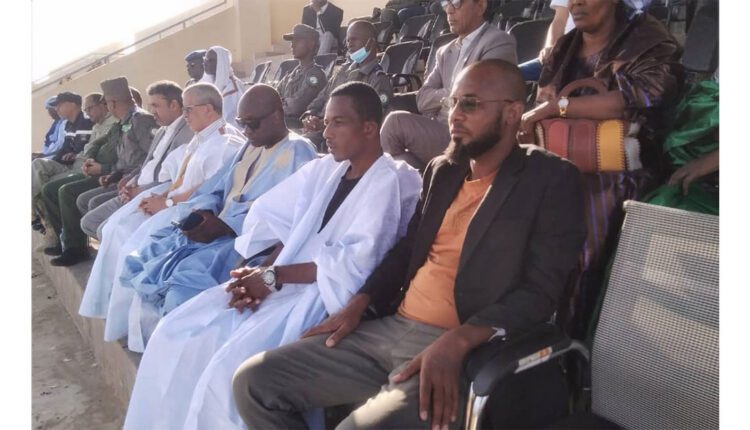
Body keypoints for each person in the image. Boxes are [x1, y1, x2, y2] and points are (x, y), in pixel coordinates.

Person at [232, 59, 585, 430]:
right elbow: (406, 251)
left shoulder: (550, 179)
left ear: (512, 112)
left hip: (464, 346)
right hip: (390, 329)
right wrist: (359, 304)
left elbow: (541, 292)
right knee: (254, 383)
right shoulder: (443, 171)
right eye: (452, 103)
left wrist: (460, 340)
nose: (455, 115)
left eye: (470, 104)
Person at [122, 82, 421, 430]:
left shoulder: (389, 181)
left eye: (338, 123)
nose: (326, 133)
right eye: (325, 122)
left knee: (225, 368)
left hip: (321, 296)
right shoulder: (326, 170)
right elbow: (284, 227)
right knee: (176, 330)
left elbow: (353, 266)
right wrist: (257, 272)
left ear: (369, 128)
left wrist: (271, 278)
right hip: (281, 279)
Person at [518, 0, 684, 339]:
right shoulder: (567, 44)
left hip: (618, 171)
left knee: (583, 247)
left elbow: (642, 95)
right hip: (561, 159)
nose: (575, 3)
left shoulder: (648, 38)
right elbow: (544, 100)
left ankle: (570, 345)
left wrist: (562, 107)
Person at [114, 84, 318, 352]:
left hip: (245, 242)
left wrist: (226, 226)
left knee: (182, 284)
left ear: (277, 116)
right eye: (242, 123)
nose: (246, 131)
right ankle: (150, 342)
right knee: (147, 253)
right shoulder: (250, 145)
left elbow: (288, 216)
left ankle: (175, 354)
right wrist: (204, 213)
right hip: (216, 228)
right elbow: (216, 186)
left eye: (253, 124)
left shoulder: (298, 151)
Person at [79, 83, 247, 327]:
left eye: (188, 109)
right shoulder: (202, 137)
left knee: (130, 247)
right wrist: (161, 196)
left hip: (191, 213)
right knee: (115, 230)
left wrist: (166, 202)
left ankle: (136, 323)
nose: (184, 115)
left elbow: (208, 190)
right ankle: (114, 310)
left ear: (208, 109)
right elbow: (180, 178)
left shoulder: (225, 144)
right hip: (174, 203)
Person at [380, 0, 517, 170]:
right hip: (441, 130)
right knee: (401, 162)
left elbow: (484, 100)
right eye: (446, 3)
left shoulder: (497, 41)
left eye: (457, 3)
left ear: (480, 6)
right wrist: (454, 96)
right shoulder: (444, 51)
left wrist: (446, 99)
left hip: (470, 134)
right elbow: (422, 100)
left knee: (395, 123)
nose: (449, 10)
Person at [41, 77, 158, 266]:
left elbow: (151, 158)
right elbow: (109, 150)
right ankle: (103, 251)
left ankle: (115, 253)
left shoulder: (141, 120)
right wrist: (110, 173)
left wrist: (112, 172)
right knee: (80, 199)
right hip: (119, 177)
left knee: (83, 199)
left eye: (107, 103)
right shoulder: (123, 123)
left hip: (136, 182)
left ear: (112, 103)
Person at [78, 81, 194, 240]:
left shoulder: (184, 132)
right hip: (135, 185)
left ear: (173, 105)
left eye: (155, 105)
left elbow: (172, 179)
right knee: (90, 221)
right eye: (150, 105)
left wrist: (137, 188)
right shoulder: (161, 130)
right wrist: (130, 181)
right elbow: (147, 163)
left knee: (102, 228)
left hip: (154, 193)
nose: (152, 111)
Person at [301, 20, 393, 149]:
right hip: (319, 131)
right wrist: (310, 116)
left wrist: (325, 124)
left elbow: (368, 121)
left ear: (371, 42)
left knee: (299, 146)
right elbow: (321, 98)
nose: (349, 44)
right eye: (348, 40)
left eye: (354, 39)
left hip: (343, 139)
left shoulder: (378, 79)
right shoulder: (342, 71)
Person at [277, 24, 327, 128]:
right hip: (284, 121)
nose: (292, 45)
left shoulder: (315, 76)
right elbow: (273, 96)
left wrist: (277, 105)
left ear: (311, 44)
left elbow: (295, 107)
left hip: (298, 125)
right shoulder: (291, 74)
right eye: (292, 41)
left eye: (297, 41)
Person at [518, 0, 575, 81]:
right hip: (561, 55)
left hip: (585, 60)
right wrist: (551, 47)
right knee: (506, 77)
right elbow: (560, 20)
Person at [202, 46, 246, 128]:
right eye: (205, 59)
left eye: (210, 60)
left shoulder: (233, 87)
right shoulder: (211, 82)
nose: (205, 63)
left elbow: (227, 117)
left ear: (221, 63)